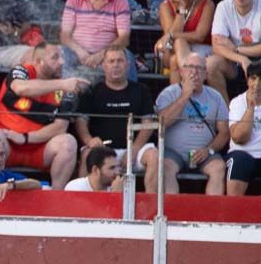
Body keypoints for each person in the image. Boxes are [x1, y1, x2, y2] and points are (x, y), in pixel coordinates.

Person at [0, 43, 84, 187]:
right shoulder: (21, 70)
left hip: (39, 148)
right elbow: (20, 88)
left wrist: (25, 138)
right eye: (55, 58)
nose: (61, 62)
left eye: (62, 57)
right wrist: (61, 84)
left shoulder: (66, 88)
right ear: (39, 61)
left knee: (68, 142)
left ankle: (56, 197)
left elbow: (59, 128)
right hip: (7, 143)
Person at [75, 48, 160, 186]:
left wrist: (133, 150)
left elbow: (148, 123)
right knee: (87, 155)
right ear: (104, 66)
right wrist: (89, 140)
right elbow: (81, 121)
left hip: (134, 148)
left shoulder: (141, 90)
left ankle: (152, 206)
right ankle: (82, 203)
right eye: (111, 61)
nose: (116, 65)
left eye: (120, 61)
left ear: (127, 65)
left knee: (154, 156)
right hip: (102, 149)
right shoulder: (93, 91)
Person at [155, 51, 228, 193]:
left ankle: (212, 214)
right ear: (181, 72)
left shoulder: (215, 96)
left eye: (200, 68)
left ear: (206, 74)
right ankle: (171, 212)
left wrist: (209, 150)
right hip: (173, 153)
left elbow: (224, 132)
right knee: (165, 167)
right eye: (190, 67)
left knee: (219, 167)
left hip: (204, 153)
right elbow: (162, 123)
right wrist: (184, 96)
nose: (194, 72)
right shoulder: (168, 93)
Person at [60, 0, 134, 79]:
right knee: (60, 54)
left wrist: (102, 54)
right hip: (77, 52)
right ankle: (64, 94)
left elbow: (124, 38)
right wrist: (80, 52)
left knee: (126, 57)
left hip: (107, 53)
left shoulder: (121, 2)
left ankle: (129, 96)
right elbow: (65, 35)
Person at [155, 0, 214, 84]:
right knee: (178, 42)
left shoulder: (207, 4)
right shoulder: (165, 6)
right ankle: (189, 82)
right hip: (172, 49)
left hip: (202, 47)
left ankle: (182, 93)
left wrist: (172, 36)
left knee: (174, 60)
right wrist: (181, 9)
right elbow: (170, 35)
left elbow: (199, 36)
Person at [207, 0, 261, 102]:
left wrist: (237, 48)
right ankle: (226, 117)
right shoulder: (223, 7)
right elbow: (216, 46)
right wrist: (241, 59)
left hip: (258, 59)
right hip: (233, 61)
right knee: (211, 64)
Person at [226, 61, 261, 195]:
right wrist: (251, 108)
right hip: (243, 154)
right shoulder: (237, 102)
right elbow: (239, 138)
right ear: (247, 80)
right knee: (240, 160)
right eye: (253, 78)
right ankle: (233, 212)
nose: (257, 84)